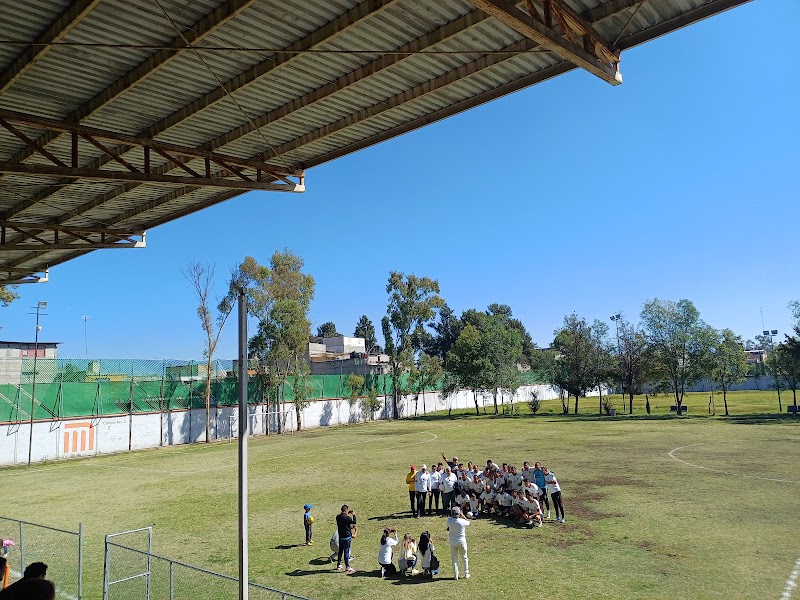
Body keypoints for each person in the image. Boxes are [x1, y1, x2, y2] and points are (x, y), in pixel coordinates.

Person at [446, 506, 471, 580]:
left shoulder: (449, 520)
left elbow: (447, 528)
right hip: (462, 542)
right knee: (464, 557)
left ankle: (455, 575)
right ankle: (466, 574)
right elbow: (469, 523)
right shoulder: (462, 521)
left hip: (452, 542)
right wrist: (463, 516)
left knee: (454, 559)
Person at [335, 505, 357, 573]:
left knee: (340, 551)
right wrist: (354, 515)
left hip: (341, 536)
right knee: (346, 552)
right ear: (345, 510)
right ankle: (347, 566)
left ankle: (338, 564)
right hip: (347, 537)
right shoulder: (347, 518)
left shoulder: (337, 517)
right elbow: (354, 523)